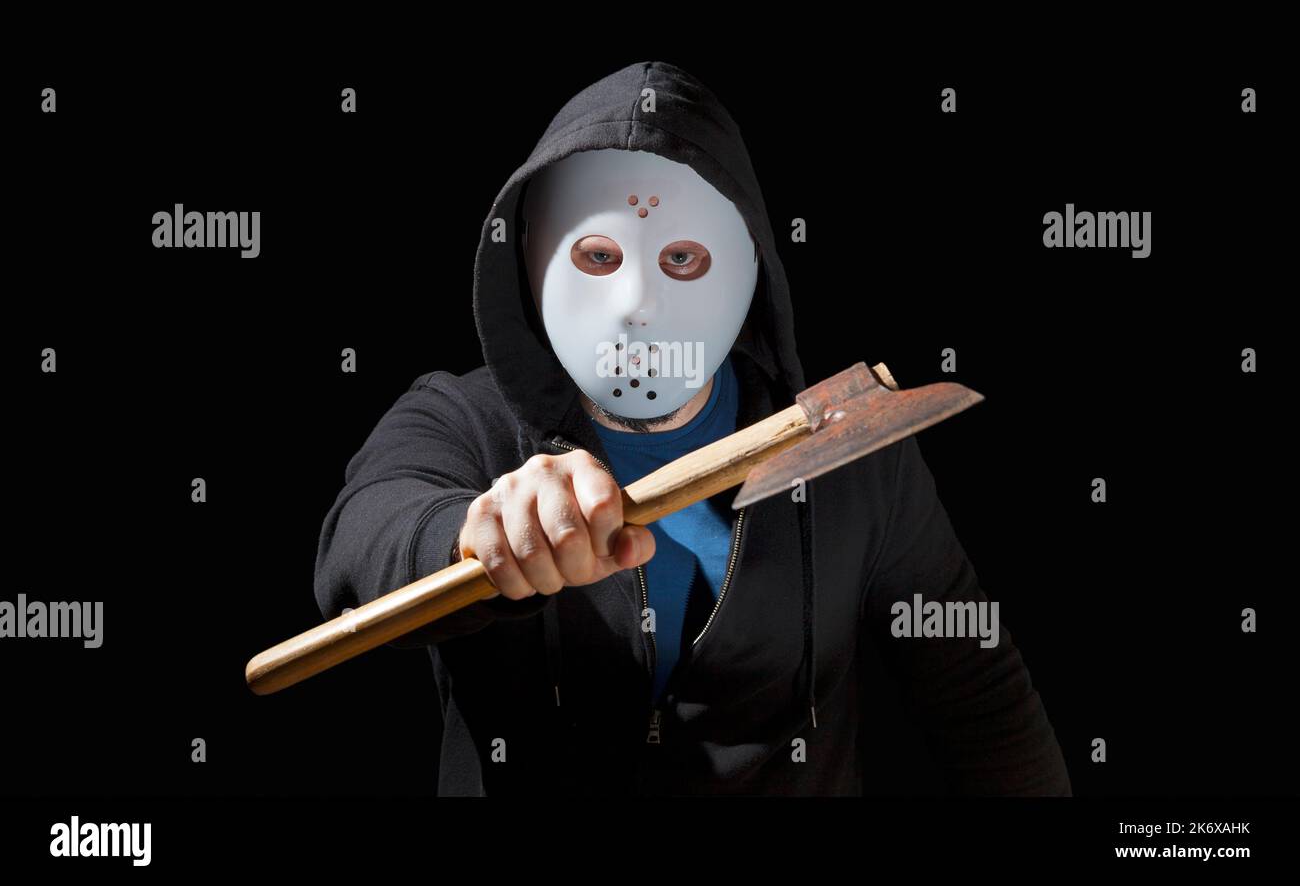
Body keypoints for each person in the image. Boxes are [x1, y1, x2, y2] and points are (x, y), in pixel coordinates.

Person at [314, 61, 1071, 796]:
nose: (637, 302)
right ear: (532, 261)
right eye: (598, 256)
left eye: (681, 257)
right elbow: (363, 540)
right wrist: (474, 534)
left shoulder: (851, 448)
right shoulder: (462, 420)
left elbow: (976, 687)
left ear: (749, 266)